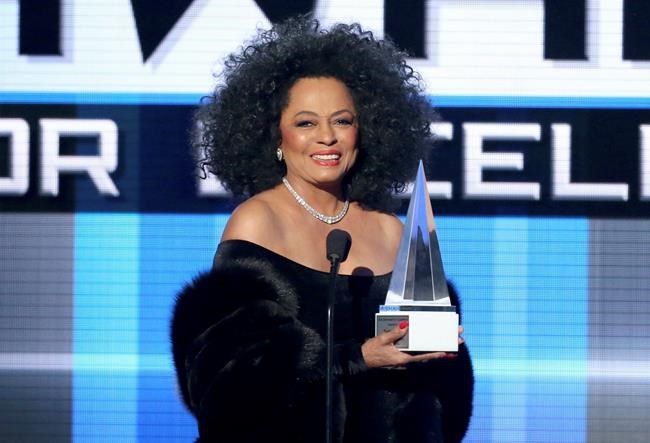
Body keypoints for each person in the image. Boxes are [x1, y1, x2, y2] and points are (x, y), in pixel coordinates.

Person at [171, 17, 473, 443]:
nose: (327, 137)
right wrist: (359, 358)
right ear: (276, 137)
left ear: (365, 131)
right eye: (306, 123)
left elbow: (439, 394)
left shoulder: (390, 230)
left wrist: (438, 351)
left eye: (343, 121)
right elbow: (223, 380)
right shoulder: (257, 221)